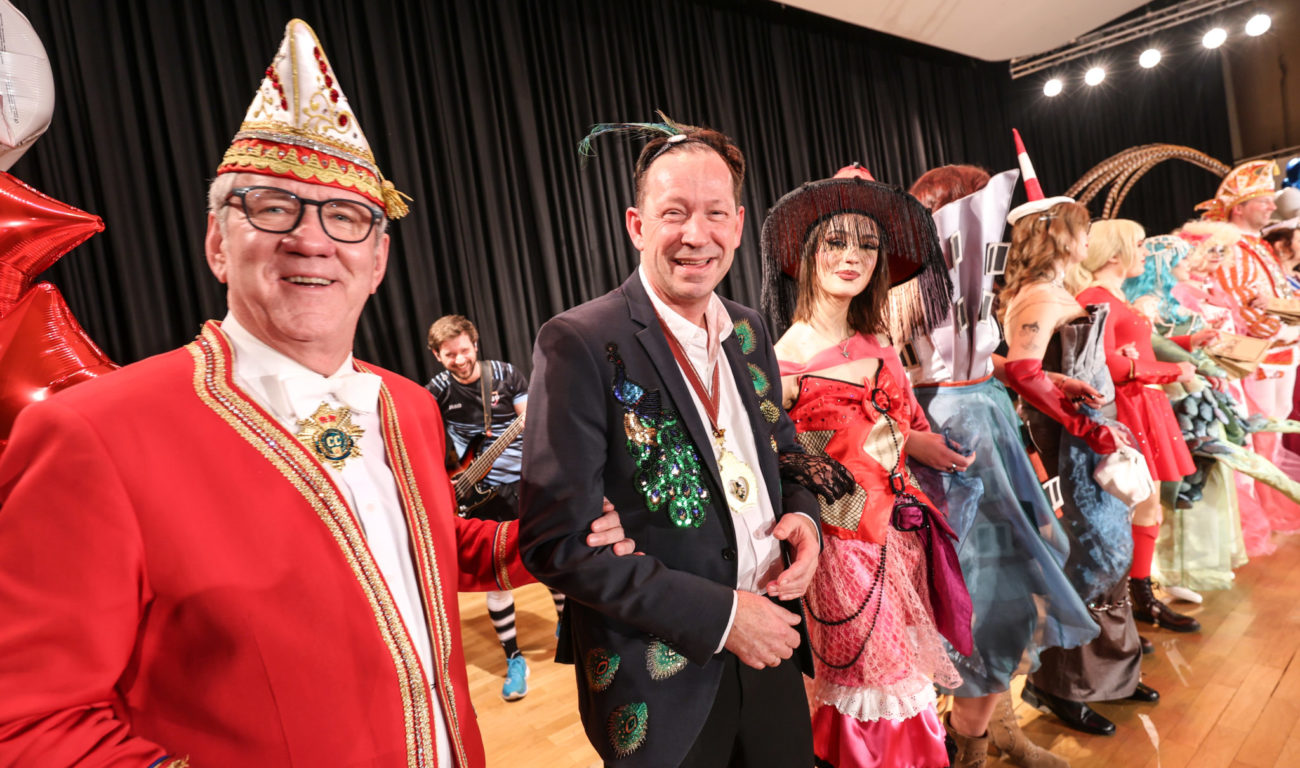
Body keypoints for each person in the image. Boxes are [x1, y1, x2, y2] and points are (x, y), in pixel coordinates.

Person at [0, 19, 628, 766]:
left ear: (378, 260)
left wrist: (553, 537)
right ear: (215, 242)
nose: (311, 238)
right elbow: (28, 722)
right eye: (272, 207)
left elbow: (413, 546)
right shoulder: (92, 435)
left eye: (346, 217)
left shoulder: (406, 403)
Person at [519, 117, 825, 768]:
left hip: (771, 637)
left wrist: (805, 513)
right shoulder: (580, 341)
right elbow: (555, 543)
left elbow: (785, 444)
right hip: (658, 677)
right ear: (636, 225)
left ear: (739, 226)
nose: (696, 235)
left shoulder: (748, 329)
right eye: (674, 213)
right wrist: (723, 617)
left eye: (715, 214)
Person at [761, 168, 974, 768]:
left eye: (867, 244)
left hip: (903, 534)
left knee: (902, 673)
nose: (852, 256)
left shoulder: (878, 341)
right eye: (836, 241)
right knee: (868, 685)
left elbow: (895, 423)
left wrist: (924, 446)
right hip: (841, 542)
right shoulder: (783, 360)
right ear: (806, 254)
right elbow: (774, 453)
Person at [905, 164, 1099, 768]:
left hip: (992, 435)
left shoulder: (978, 285)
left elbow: (990, 358)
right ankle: (964, 746)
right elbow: (870, 384)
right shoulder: (895, 290)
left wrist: (1047, 378)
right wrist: (914, 441)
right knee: (966, 597)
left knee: (1009, 591)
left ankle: (989, 735)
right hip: (944, 443)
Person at [998, 197, 1156, 738]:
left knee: (1110, 551)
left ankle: (1111, 673)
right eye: (1083, 230)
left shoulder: (1054, 291)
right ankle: (1060, 684)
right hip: (1071, 440)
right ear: (1064, 237)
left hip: (1090, 431)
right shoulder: (1040, 295)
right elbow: (1020, 370)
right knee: (1088, 558)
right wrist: (1086, 424)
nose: (1089, 239)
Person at [1068, 220, 1204, 634]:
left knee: (1148, 504)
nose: (1146, 253)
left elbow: (1129, 352)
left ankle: (1138, 595)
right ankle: (1130, 600)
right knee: (1137, 505)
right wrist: (1171, 370)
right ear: (1115, 254)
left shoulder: (1110, 295)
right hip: (1129, 406)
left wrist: (1185, 347)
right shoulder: (1095, 297)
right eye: (1140, 245)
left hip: (1143, 402)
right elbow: (1105, 365)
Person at [427, 313, 565, 701]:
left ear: (475, 345)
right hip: (475, 493)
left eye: (464, 350)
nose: (460, 359)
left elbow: (531, 422)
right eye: (450, 354)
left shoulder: (504, 375)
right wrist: (448, 475)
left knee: (547, 559)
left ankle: (564, 625)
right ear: (438, 355)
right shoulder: (435, 390)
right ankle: (513, 657)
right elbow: (428, 439)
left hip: (524, 485)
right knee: (497, 578)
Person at [1197, 161, 1300, 534]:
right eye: (1262, 200)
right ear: (1238, 207)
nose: (1272, 206)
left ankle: (1264, 509)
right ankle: (1253, 516)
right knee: (1257, 436)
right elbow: (1239, 305)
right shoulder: (1229, 248)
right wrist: (1282, 327)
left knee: (1271, 435)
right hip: (1257, 357)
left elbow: (1274, 297)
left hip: (1281, 352)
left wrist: (1285, 317)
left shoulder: (1256, 246)